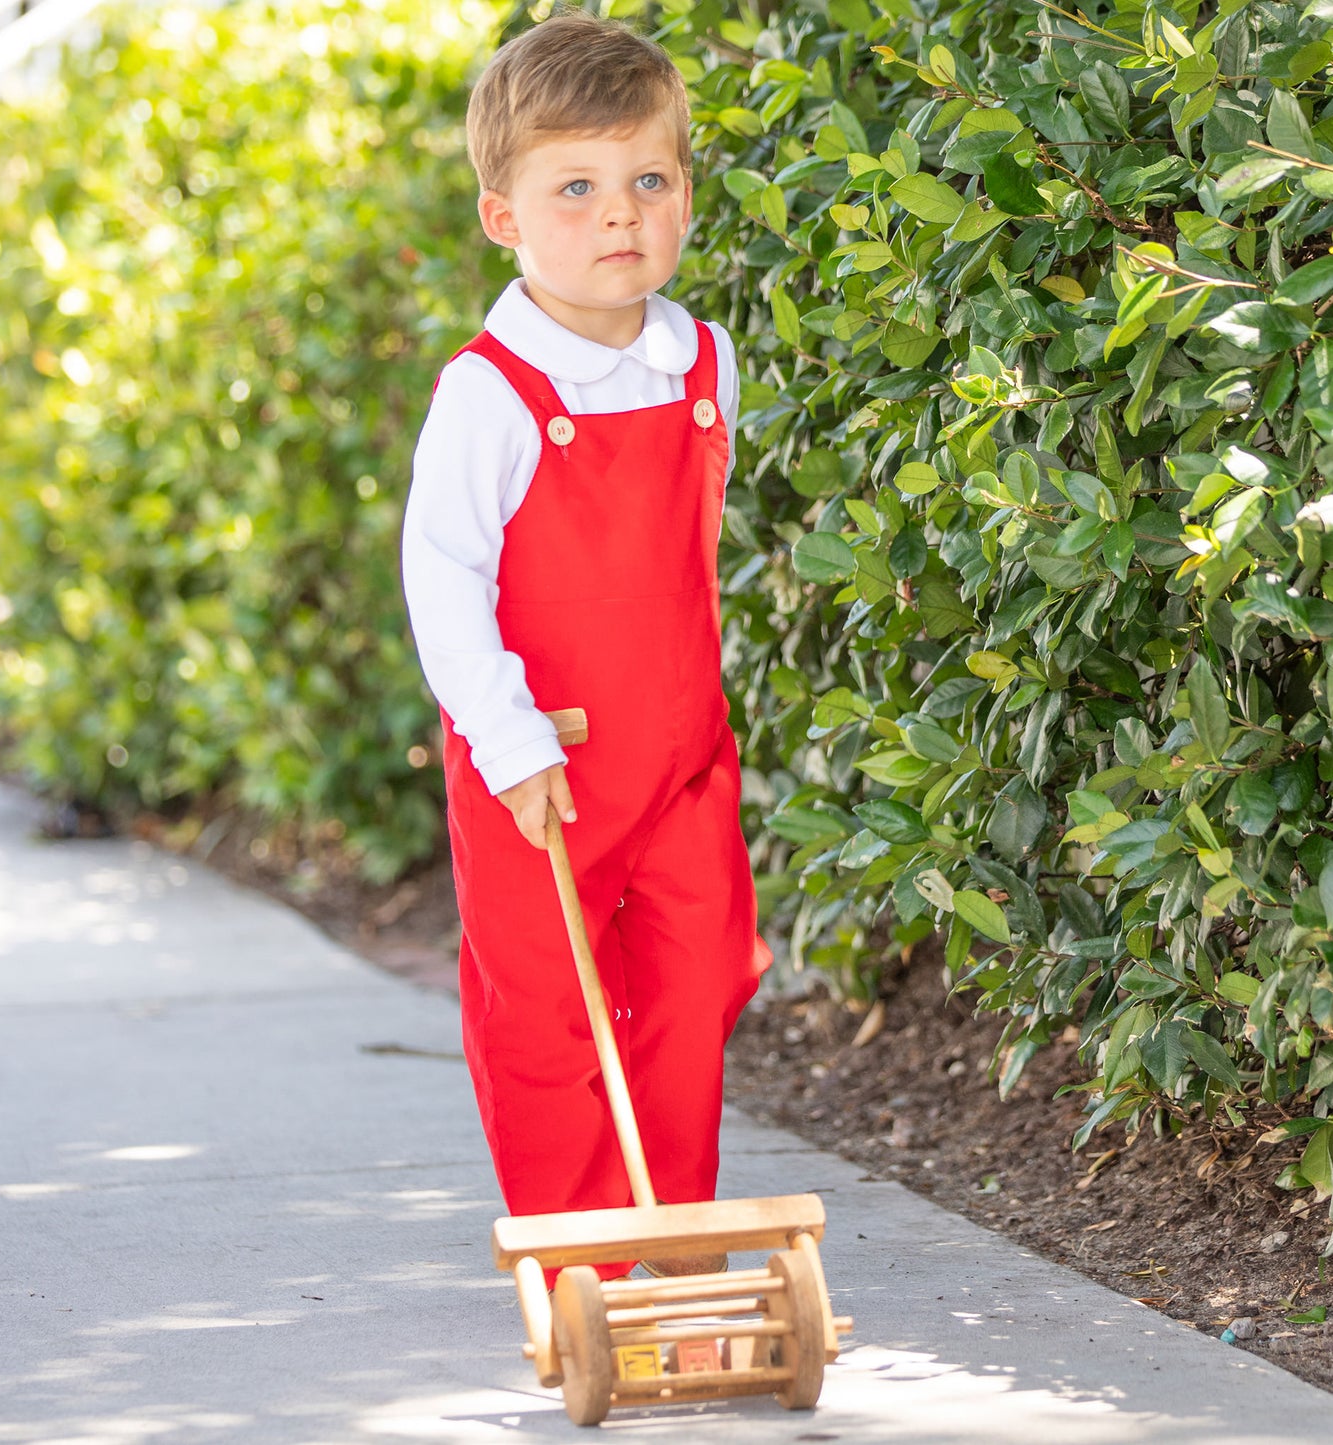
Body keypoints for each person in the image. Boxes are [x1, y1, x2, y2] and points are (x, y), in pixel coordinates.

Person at [401, 8, 769, 1281]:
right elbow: (441, 574)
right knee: (548, 1013)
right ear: (503, 215)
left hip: (674, 752)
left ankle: (670, 1237)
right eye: (576, 188)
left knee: (696, 980)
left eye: (648, 182)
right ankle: (578, 1261)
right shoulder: (492, 392)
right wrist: (503, 737)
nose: (620, 216)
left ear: (682, 195)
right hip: (536, 759)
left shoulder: (701, 358)